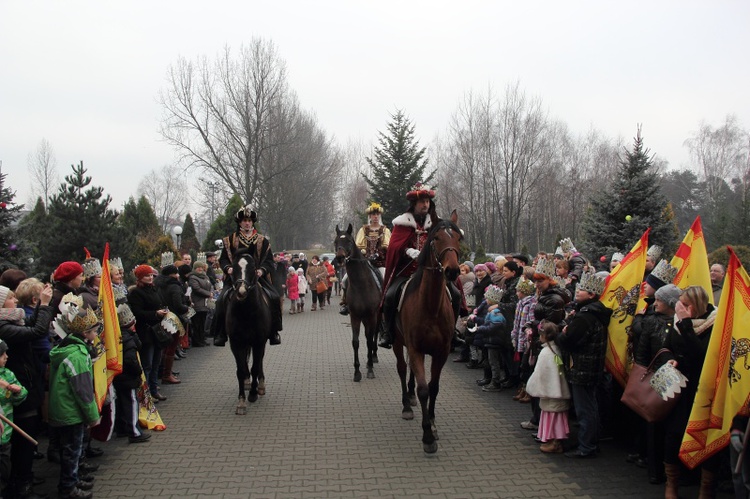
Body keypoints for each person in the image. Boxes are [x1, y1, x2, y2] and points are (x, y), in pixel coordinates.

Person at [379, 182, 461, 349]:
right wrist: (409, 251)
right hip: (408, 270)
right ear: (414, 204)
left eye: (427, 202)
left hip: (433, 271)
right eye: (422, 202)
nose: (425, 205)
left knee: (456, 294)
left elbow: (447, 240)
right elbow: (395, 246)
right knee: (390, 295)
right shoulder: (402, 223)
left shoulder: (436, 222)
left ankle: (453, 332)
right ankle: (388, 332)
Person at [661, 286, 718, 499]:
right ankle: (672, 483)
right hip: (679, 387)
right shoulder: (676, 323)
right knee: (673, 434)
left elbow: (701, 355)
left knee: (704, 435)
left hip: (703, 387)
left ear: (697, 304)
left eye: (685, 305)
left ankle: (706, 487)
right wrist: (670, 360)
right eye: (680, 304)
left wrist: (686, 324)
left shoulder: (714, 323)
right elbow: (666, 348)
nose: (681, 309)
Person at [0, 283, 54, 498]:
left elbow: (31, 323)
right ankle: (21, 484)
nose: (15, 301)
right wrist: (46, 305)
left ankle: (25, 476)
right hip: (18, 384)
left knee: (27, 434)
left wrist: (41, 304)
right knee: (23, 439)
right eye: (11, 298)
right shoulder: (3, 326)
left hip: (26, 381)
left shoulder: (12, 319)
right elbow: (37, 331)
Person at [48, 293, 101, 499]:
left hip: (63, 408)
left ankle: (74, 478)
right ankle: (68, 487)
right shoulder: (77, 355)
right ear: (86, 333)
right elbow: (82, 390)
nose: (97, 334)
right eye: (95, 331)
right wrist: (92, 415)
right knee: (72, 450)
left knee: (72, 449)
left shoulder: (67, 347)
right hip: (70, 410)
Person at [557, 271, 612, 459]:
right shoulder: (594, 312)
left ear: (592, 295)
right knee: (590, 406)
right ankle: (589, 442)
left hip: (582, 368)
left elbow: (569, 340)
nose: (578, 291)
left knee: (584, 409)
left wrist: (562, 334)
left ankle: (586, 446)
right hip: (590, 367)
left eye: (583, 290)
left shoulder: (585, 316)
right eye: (579, 288)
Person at [212, 204, 282, 346]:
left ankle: (274, 332)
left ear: (253, 222)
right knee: (220, 301)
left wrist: (261, 270)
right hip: (235, 278)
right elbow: (223, 258)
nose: (247, 223)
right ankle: (220, 333)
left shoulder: (262, 240)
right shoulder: (229, 240)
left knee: (274, 297)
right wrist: (228, 268)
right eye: (244, 220)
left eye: (249, 221)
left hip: (256, 278)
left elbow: (268, 260)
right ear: (239, 222)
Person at [525, 321, 570, 454]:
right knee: (557, 416)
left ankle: (554, 441)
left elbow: (540, 374)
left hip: (549, 392)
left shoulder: (546, 352)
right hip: (558, 391)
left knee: (551, 417)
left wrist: (533, 387)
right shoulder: (556, 350)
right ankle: (555, 440)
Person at [340, 202, 392, 315]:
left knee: (385, 279)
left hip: (379, 263)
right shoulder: (363, 230)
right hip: (363, 263)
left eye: (377, 214)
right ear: (369, 216)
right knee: (344, 280)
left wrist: (378, 254)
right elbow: (358, 246)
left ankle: (386, 303)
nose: (375, 217)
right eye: (373, 214)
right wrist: (363, 252)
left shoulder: (385, 231)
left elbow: (387, 246)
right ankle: (346, 303)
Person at [127, 265, 169, 402]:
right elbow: (138, 313)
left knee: (156, 362)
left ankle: (153, 389)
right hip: (146, 331)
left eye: (151, 275)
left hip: (156, 330)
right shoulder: (136, 293)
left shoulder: (154, 289)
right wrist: (154, 314)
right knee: (147, 364)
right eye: (147, 276)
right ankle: (144, 393)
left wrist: (162, 311)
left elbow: (159, 303)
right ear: (140, 277)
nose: (150, 277)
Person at [112, 304, 150, 444]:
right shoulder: (128, 339)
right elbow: (130, 360)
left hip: (120, 377)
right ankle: (134, 431)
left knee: (121, 402)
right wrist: (138, 371)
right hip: (127, 377)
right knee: (131, 402)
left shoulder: (122, 336)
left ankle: (122, 427)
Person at [0, 337, 28, 492]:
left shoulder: (7, 374)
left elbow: (22, 394)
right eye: (2, 354)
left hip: (5, 434)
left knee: (5, 468)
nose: (6, 356)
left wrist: (15, 391)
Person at [188, 261, 212, 347]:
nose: (200, 269)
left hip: (205, 303)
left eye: (201, 267)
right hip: (197, 303)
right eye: (198, 267)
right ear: (195, 268)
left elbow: (210, 286)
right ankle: (197, 341)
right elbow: (196, 289)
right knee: (196, 323)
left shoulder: (205, 276)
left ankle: (202, 339)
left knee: (202, 323)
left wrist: (211, 292)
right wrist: (208, 293)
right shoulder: (193, 277)